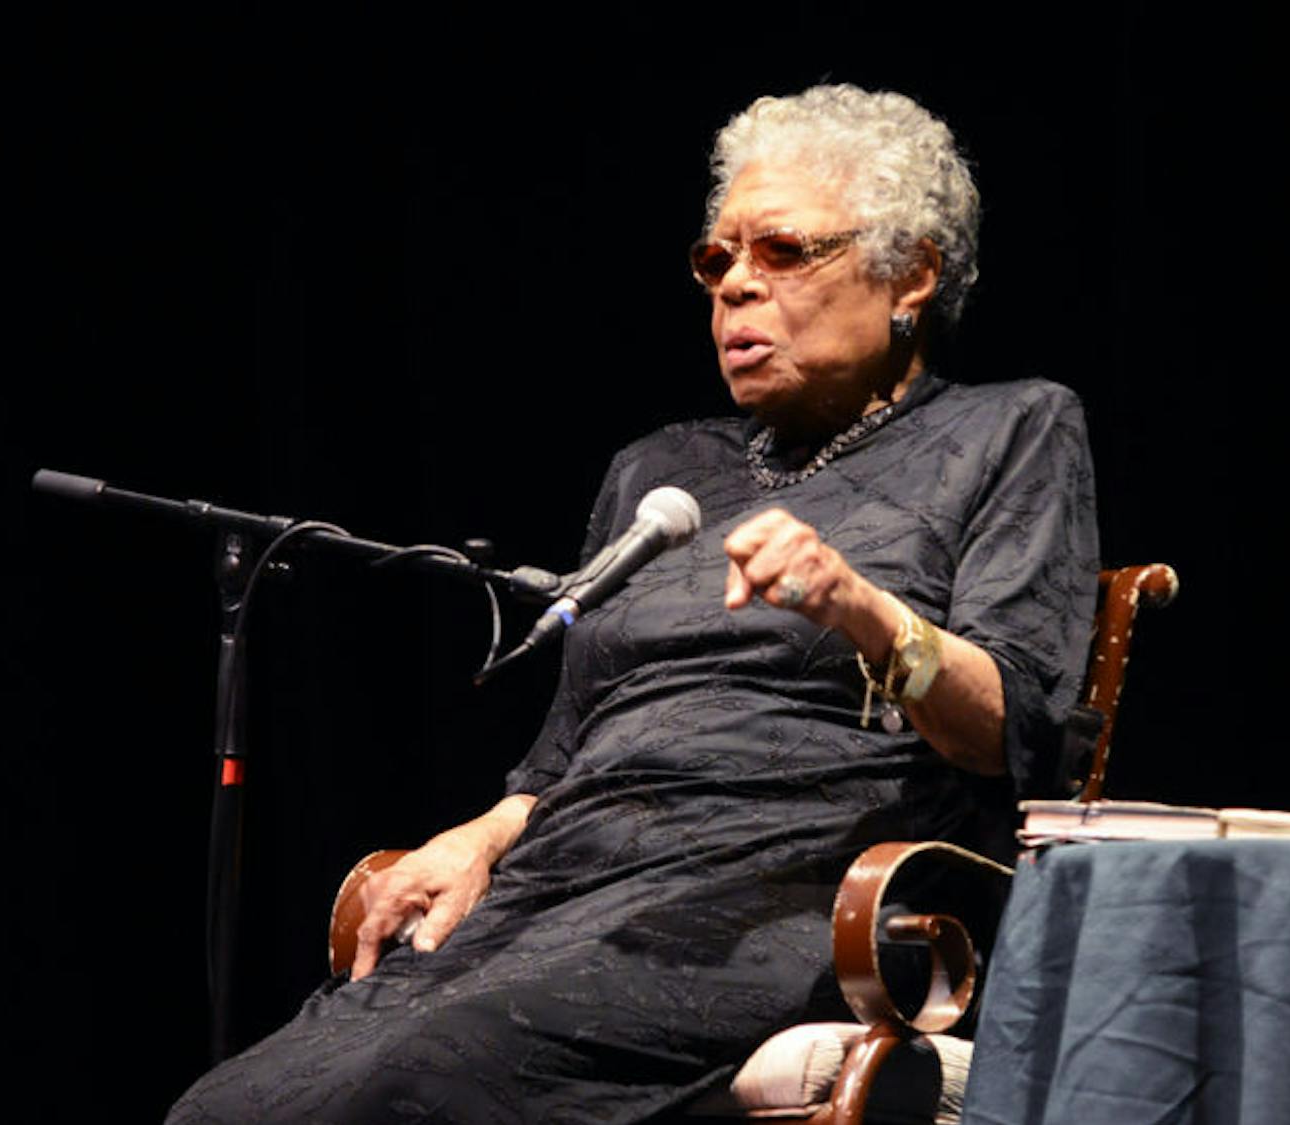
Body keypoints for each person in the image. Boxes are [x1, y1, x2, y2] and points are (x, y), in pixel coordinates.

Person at [167, 84, 1098, 1123]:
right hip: (568, 886)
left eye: (784, 252)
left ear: (910, 274)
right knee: (226, 1106)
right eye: (717, 260)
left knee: (412, 1087)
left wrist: (861, 608)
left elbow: (1013, 730)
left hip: (783, 891)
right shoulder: (661, 471)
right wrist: (478, 838)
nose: (736, 288)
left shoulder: (1010, 430)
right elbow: (568, 747)